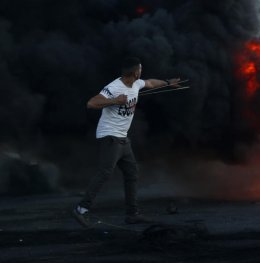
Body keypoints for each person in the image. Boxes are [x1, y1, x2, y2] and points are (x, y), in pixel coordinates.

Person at [72, 57, 180, 227]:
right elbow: (91, 103)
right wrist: (115, 101)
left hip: (123, 138)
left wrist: (167, 82)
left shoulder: (136, 84)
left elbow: (150, 83)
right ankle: (81, 209)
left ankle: (132, 214)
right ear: (135, 72)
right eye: (140, 69)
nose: (142, 72)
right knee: (105, 172)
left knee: (132, 173)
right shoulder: (114, 87)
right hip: (110, 136)